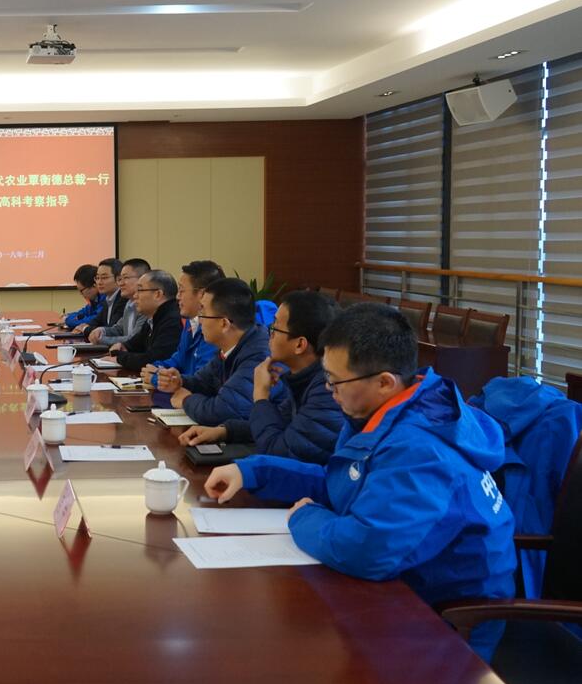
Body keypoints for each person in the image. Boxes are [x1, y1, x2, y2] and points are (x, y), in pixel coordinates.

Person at [204, 303, 515, 661]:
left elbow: (366, 549)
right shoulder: (389, 411)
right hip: (406, 584)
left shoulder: (420, 449)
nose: (330, 391)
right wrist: (253, 471)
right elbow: (342, 483)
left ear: (384, 382)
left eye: (336, 381)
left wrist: (303, 517)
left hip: (450, 622)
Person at [180, 290, 345, 463]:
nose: (268, 332)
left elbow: (278, 452)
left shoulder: (327, 391)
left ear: (299, 344)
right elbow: (279, 422)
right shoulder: (304, 378)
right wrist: (224, 431)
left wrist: (260, 397)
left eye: (275, 327)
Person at [154, 277, 269, 425]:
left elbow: (221, 411)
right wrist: (180, 381)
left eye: (203, 313)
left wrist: (186, 400)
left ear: (224, 323)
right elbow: (203, 382)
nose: (200, 320)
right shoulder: (229, 348)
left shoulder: (258, 357)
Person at [140, 259, 225, 391]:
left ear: (202, 294)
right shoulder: (191, 322)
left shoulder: (215, 327)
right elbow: (177, 360)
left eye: (181, 290)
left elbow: (201, 381)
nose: (177, 297)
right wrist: (155, 368)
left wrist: (156, 377)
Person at [111, 269, 181, 371]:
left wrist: (120, 358)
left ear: (158, 294)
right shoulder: (154, 317)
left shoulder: (173, 321)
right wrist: (123, 346)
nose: (135, 296)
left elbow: (153, 359)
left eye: (139, 290)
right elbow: (134, 344)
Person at [88, 258, 150, 345]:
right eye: (120, 279)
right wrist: (101, 330)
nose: (120, 283)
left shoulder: (147, 305)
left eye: (126, 278)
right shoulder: (129, 303)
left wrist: (101, 339)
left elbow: (134, 339)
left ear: (142, 279)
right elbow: (119, 329)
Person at [77, 258, 125, 334]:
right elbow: (95, 322)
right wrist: (85, 327)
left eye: (104, 278)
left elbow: (110, 330)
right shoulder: (108, 300)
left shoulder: (123, 299)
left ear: (119, 278)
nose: (99, 282)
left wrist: (85, 328)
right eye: (97, 278)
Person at [62, 264, 102, 328]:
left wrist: (70, 320)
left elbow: (95, 320)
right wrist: (69, 317)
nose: (81, 294)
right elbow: (81, 313)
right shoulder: (94, 300)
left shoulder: (105, 300)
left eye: (81, 290)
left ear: (94, 285)